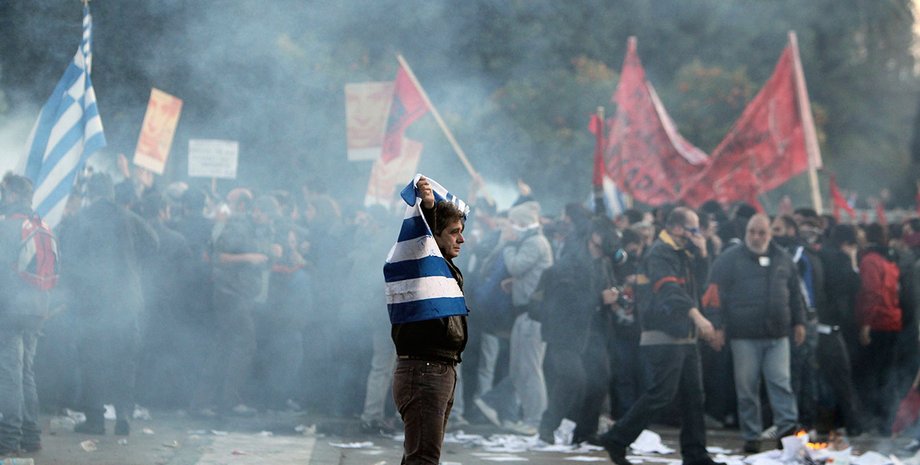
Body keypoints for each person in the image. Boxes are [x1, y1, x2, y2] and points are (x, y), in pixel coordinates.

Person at [598, 207, 722, 465]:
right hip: (664, 334)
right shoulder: (660, 253)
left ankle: (696, 454)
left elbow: (698, 285)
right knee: (661, 394)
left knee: (693, 398)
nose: (697, 235)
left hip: (685, 336)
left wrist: (702, 255)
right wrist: (697, 317)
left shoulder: (682, 252)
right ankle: (618, 437)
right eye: (693, 229)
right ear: (677, 229)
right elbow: (669, 290)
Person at [61, 173, 158, 436]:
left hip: (92, 304)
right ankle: (123, 416)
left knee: (92, 361)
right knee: (125, 360)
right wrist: (135, 270)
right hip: (127, 301)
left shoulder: (81, 219)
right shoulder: (129, 217)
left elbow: (67, 259)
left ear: (91, 193)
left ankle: (95, 420)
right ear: (112, 192)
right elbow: (154, 243)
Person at [704, 214, 806, 453]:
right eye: (752, 232)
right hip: (744, 336)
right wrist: (717, 326)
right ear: (746, 232)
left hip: (777, 335)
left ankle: (787, 433)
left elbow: (795, 293)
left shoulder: (783, 258)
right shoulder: (729, 259)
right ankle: (751, 436)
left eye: (761, 232)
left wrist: (799, 322)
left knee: (780, 383)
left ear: (770, 234)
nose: (756, 237)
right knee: (747, 387)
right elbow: (713, 294)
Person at [386, 176, 470, 465]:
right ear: (435, 236)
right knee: (423, 458)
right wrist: (430, 207)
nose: (461, 239)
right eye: (454, 232)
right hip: (424, 372)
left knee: (420, 457)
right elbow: (424, 238)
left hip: (438, 370)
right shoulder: (422, 262)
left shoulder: (443, 268)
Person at [0, 173, 47, 455]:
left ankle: (8, 439)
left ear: (14, 196)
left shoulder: (9, 228)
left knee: (9, 374)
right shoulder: (40, 225)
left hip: (11, 311)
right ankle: (31, 436)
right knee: (26, 372)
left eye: (4, 193)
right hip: (37, 310)